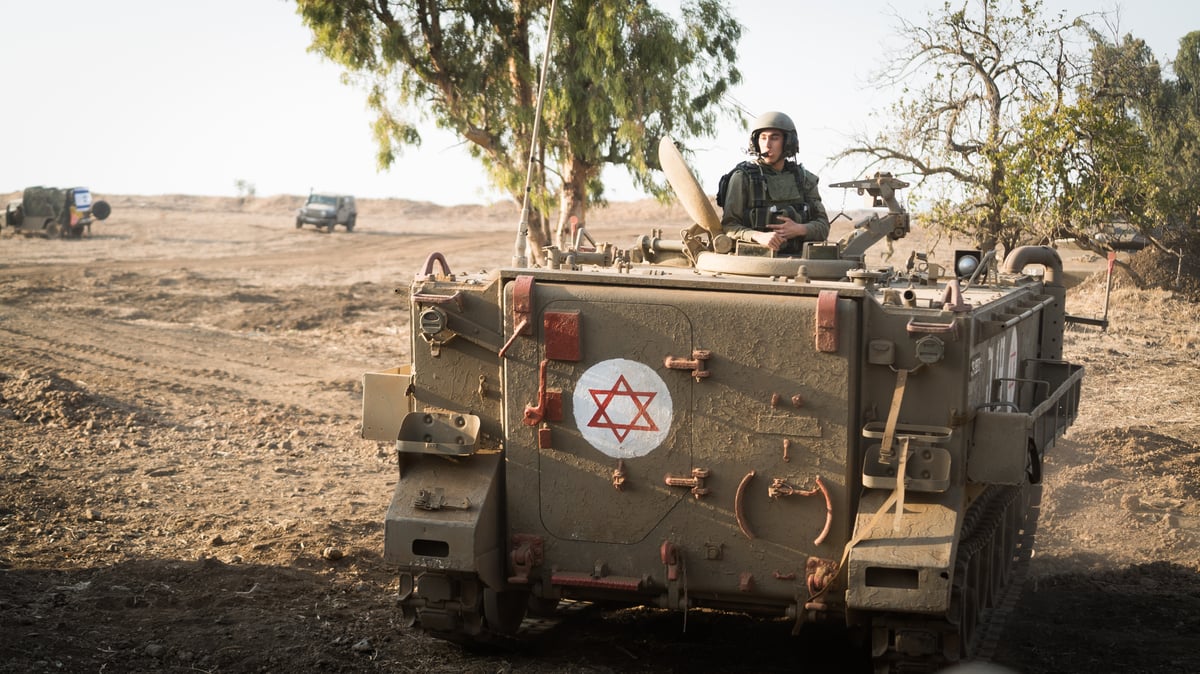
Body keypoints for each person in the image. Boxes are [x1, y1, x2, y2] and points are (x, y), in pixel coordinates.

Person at [719, 111, 829, 255]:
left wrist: (800, 229)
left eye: (774, 138)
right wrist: (758, 236)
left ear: (788, 142)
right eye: (763, 138)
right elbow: (729, 225)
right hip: (753, 262)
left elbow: (823, 226)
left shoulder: (803, 179)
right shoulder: (743, 177)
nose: (767, 145)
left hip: (799, 261)